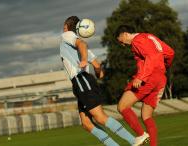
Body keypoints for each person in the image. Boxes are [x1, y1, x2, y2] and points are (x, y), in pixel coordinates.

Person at [60, 16, 146, 146]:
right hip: (83, 82)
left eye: (64, 25)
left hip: (82, 80)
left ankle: (135, 139)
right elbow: (97, 66)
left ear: (66, 26)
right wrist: (98, 72)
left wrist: (83, 60)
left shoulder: (67, 35)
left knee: (100, 117)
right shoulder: (77, 45)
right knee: (87, 124)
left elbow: (82, 44)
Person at [115, 25, 175, 146]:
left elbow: (151, 56)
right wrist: (163, 67)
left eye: (120, 40)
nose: (122, 44)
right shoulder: (149, 37)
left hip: (149, 77)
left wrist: (141, 77)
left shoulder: (137, 40)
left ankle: (141, 135)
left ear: (125, 34)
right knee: (146, 116)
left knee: (122, 106)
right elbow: (170, 53)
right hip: (161, 78)